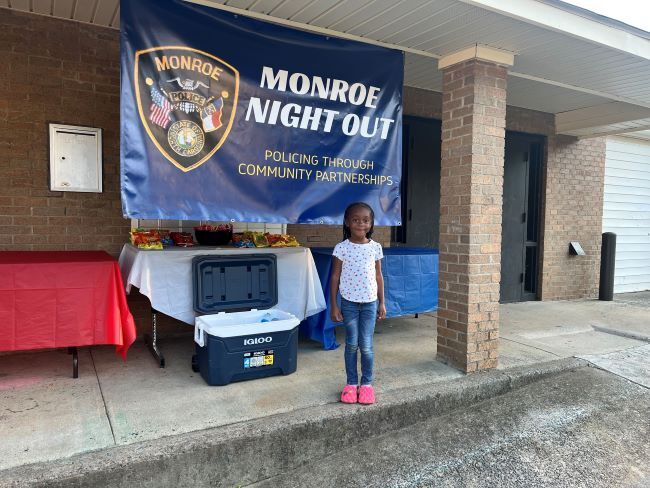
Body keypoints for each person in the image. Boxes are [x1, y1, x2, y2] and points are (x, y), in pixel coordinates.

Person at [330, 202, 386, 405]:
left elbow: (379, 276)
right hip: (349, 304)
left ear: (371, 224)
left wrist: (382, 303)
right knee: (352, 345)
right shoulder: (341, 248)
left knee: (367, 346)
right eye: (355, 220)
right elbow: (335, 277)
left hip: (370, 304)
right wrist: (334, 305)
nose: (360, 224)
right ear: (347, 222)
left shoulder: (375, 248)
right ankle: (351, 384)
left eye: (365, 220)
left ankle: (367, 384)